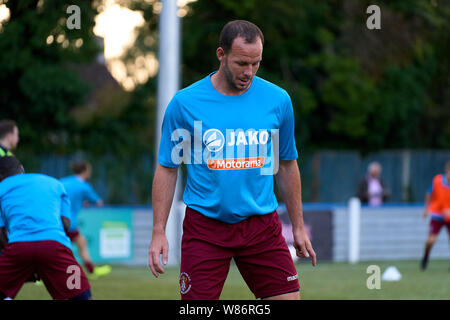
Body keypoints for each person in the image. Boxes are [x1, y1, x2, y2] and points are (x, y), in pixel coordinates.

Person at [149, 20, 315, 300]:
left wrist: (298, 226)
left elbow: (286, 164)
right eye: (241, 63)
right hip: (205, 228)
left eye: (256, 63)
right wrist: (158, 231)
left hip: (261, 226)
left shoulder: (277, 100)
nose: (248, 72)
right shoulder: (185, 103)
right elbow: (167, 169)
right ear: (221, 54)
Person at [0, 156, 92, 300]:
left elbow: (0, 233)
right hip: (54, 246)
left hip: (18, 248)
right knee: (81, 295)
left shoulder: (2, 188)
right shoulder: (55, 183)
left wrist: (23, 263)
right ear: (21, 170)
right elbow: (66, 224)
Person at [60, 160, 105, 275]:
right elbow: (98, 202)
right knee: (81, 244)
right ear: (85, 171)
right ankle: (91, 270)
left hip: (55, 221)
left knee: (76, 243)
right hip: (69, 222)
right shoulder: (84, 187)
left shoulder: (62, 182)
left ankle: (40, 274)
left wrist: (80, 201)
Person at [420, 161, 450, 270]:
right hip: (437, 214)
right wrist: (426, 209)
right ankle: (425, 257)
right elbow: (429, 194)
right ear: (446, 171)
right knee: (431, 240)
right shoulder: (437, 180)